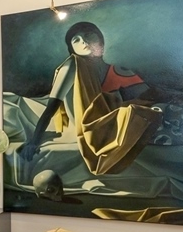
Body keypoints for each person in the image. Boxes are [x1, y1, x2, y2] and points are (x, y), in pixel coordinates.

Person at [18, 21, 165, 175]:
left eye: (89, 35)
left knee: (149, 110)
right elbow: (51, 107)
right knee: (137, 114)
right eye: (77, 40)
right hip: (84, 125)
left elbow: (147, 95)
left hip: (103, 118)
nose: (84, 42)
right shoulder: (72, 65)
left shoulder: (118, 70)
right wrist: (34, 142)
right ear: (71, 49)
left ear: (101, 39)